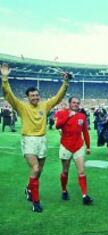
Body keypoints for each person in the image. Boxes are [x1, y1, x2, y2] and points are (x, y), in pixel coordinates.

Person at [1, 63, 70, 212]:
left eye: (36, 95)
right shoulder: (21, 106)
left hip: (42, 140)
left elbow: (58, 98)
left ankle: (28, 188)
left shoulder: (44, 105)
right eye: (32, 96)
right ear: (27, 97)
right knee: (35, 167)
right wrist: (5, 78)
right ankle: (36, 202)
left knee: (39, 171)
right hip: (29, 140)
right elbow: (9, 94)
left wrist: (65, 83)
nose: (35, 97)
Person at [55, 96, 92, 205]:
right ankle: (64, 190)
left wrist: (88, 146)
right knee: (65, 171)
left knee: (81, 171)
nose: (76, 104)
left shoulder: (82, 116)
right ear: (69, 103)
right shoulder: (62, 113)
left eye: (77, 103)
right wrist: (68, 116)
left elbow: (85, 132)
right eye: (74, 102)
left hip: (78, 146)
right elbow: (57, 126)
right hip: (65, 146)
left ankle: (85, 195)